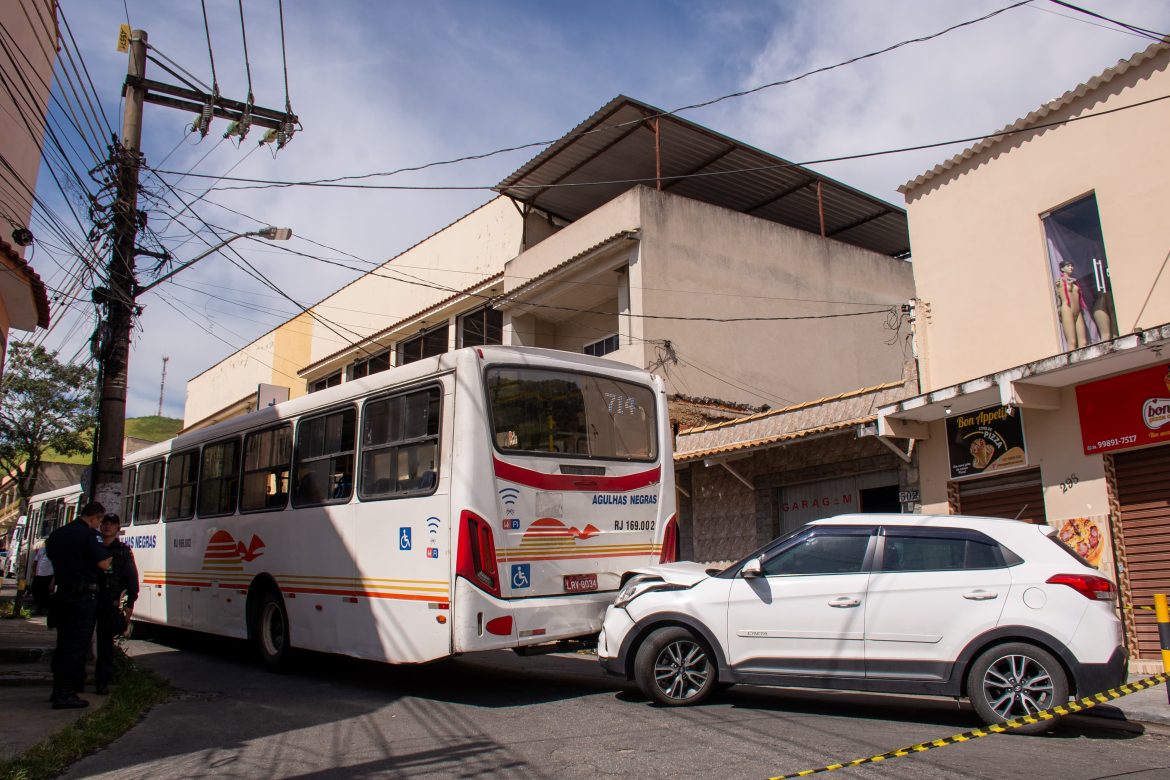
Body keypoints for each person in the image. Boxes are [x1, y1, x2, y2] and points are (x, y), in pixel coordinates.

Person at [45, 501, 111, 709]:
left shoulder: (57, 534)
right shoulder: (90, 535)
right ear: (95, 518)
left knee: (63, 644)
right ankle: (66, 694)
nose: (100, 525)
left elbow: (51, 557)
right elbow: (104, 563)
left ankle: (57, 690)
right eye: (100, 521)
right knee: (76, 646)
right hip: (82, 598)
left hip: (62, 594)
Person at [94, 513, 139, 696]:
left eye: (112, 524)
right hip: (89, 600)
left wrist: (130, 603)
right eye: (105, 523)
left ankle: (102, 681)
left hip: (109, 602)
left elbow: (131, 578)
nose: (108, 526)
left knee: (105, 645)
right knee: (81, 640)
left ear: (118, 529)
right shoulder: (93, 547)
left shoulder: (122, 551)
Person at [30, 541, 54, 615]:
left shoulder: (54, 551)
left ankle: (43, 608)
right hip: (38, 574)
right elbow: (36, 560)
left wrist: (53, 580)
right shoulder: (42, 550)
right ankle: (39, 606)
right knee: (34, 589)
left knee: (44, 592)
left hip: (48, 574)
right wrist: (33, 571)